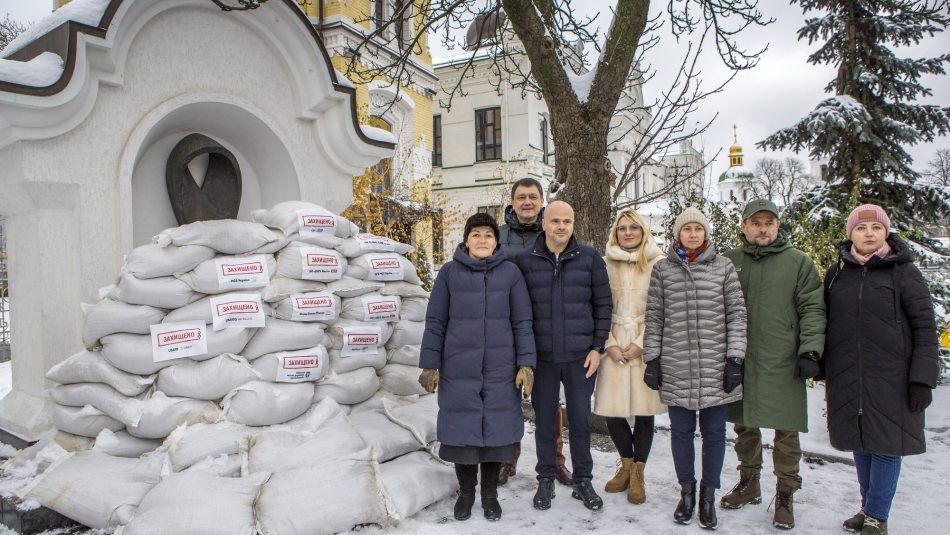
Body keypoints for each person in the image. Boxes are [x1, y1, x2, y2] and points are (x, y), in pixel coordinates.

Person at [823, 204, 938, 535]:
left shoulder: (903, 272)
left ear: (886, 232)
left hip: (893, 376)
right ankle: (868, 507)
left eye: (876, 227)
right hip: (848, 372)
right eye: (861, 228)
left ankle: (877, 515)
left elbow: (925, 328)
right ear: (851, 234)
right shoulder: (837, 274)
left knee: (887, 443)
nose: (869, 233)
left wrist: (922, 378)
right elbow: (825, 320)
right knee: (861, 441)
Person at [418, 212, 537, 522]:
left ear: (496, 241)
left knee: (495, 437)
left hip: (500, 369)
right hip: (459, 368)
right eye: (476, 235)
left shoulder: (510, 274)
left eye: (488, 235)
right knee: (463, 435)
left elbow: (523, 322)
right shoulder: (449, 274)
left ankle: (489, 495)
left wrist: (526, 364)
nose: (482, 240)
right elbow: (436, 322)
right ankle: (467, 493)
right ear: (466, 240)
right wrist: (430, 364)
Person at [719, 199, 826, 530]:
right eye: (756, 222)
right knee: (743, 424)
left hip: (782, 359)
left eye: (769, 222)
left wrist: (810, 352)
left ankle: (785, 492)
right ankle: (749, 482)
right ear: (744, 226)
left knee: (785, 429)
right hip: (740, 358)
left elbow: (812, 309)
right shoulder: (729, 261)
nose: (762, 228)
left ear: (777, 226)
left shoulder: (797, 262)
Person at [642, 207, 747, 529]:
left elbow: (737, 315)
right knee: (681, 433)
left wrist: (734, 359)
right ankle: (686, 492)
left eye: (697, 229)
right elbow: (655, 317)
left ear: (705, 233)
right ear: (677, 234)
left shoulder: (724, 267)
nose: (692, 234)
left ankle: (707, 496)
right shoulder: (663, 270)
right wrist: (653, 359)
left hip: (716, 368)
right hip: (676, 366)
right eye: (686, 229)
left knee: (715, 434)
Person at [514, 200, 612, 512]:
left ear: (573, 224)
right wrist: (524, 357)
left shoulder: (589, 257)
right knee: (544, 420)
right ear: (543, 222)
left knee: (581, 421)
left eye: (567, 221)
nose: (561, 227)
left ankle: (583, 479)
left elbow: (603, 305)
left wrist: (597, 348)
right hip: (541, 358)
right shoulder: (525, 260)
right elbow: (518, 310)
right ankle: (545, 478)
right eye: (555, 220)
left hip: (580, 356)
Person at [497, 177, 571, 487]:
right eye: (521, 197)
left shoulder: (553, 232)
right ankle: (506, 457)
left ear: (542, 201)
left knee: (548, 398)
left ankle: (554, 460)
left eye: (533, 196)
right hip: (505, 327)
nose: (527, 202)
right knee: (505, 395)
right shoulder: (498, 237)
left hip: (544, 327)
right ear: (512, 202)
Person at [593, 209, 666, 505]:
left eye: (633, 227)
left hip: (644, 342)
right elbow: (596, 306)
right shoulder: (603, 264)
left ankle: (638, 473)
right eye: (621, 228)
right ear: (615, 232)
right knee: (612, 411)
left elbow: (662, 309)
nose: (627, 232)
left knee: (643, 411)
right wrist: (608, 342)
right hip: (612, 343)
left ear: (643, 230)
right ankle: (625, 464)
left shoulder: (658, 264)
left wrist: (642, 343)